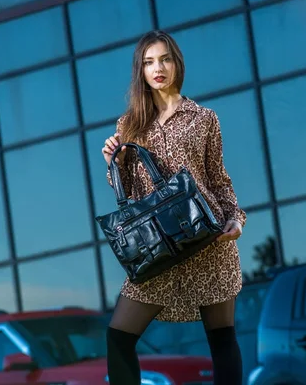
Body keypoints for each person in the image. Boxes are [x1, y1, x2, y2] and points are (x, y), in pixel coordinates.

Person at [101, 30, 246, 385]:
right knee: (119, 336)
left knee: (222, 338)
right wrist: (114, 164)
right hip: (158, 247)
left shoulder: (204, 118)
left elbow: (218, 180)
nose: (158, 68)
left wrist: (236, 220)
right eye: (149, 62)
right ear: (141, 71)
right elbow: (132, 195)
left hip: (207, 241)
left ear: (176, 63)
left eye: (164, 59)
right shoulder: (129, 124)